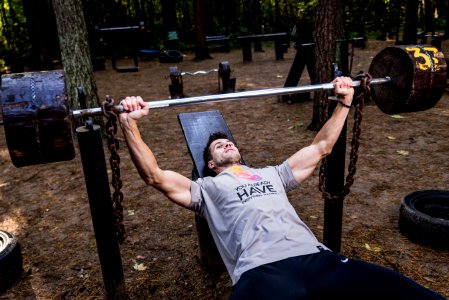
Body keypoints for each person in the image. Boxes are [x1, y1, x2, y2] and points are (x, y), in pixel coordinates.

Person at [118, 77, 445, 300]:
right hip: (261, 272)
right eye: (218, 145)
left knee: (408, 293)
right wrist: (129, 124)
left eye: (228, 141)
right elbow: (155, 176)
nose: (226, 143)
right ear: (212, 165)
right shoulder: (206, 190)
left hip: (317, 261)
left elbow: (321, 147)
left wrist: (344, 102)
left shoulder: (272, 174)